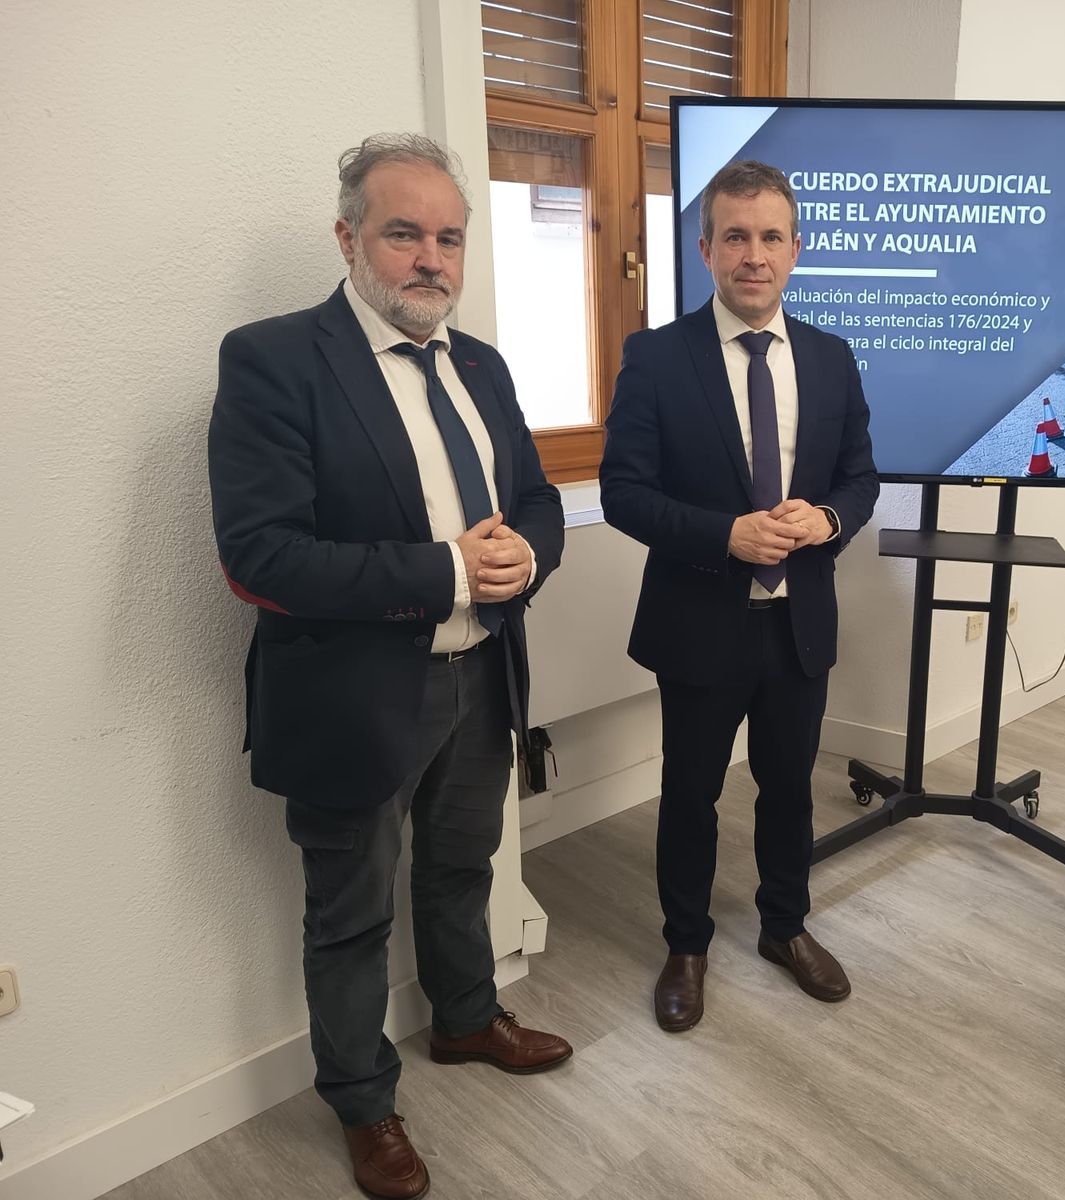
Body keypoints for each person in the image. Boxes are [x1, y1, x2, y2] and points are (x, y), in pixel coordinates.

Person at [208, 134, 571, 1199]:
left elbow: (538, 501)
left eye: (448, 236)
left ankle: (463, 1021)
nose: (430, 258)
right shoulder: (272, 359)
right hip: (353, 699)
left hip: (480, 679)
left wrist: (526, 554)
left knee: (464, 870)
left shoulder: (484, 365)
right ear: (349, 237)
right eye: (403, 232)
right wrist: (452, 570)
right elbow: (259, 557)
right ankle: (364, 1101)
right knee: (350, 912)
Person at [600, 160, 878, 1033]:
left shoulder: (832, 359)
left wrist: (826, 519)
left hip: (799, 623)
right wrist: (725, 533)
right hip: (698, 622)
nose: (752, 256)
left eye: (770, 237)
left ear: (797, 249)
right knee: (689, 791)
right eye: (734, 237)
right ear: (705, 248)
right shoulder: (655, 357)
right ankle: (687, 944)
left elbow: (861, 480)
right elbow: (622, 493)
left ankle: (783, 927)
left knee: (789, 785)